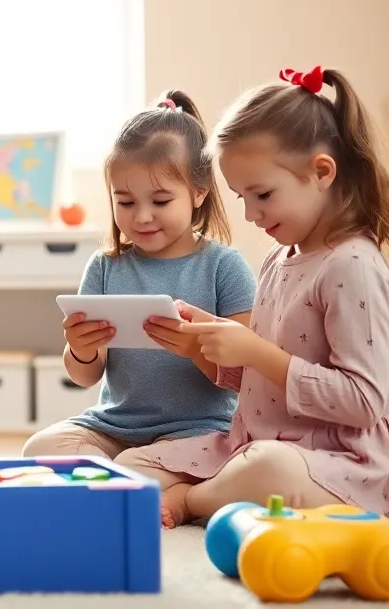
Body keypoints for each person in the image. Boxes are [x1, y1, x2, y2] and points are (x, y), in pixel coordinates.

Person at [116, 66, 389, 527]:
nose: (251, 214)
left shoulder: (352, 265)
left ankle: (191, 501)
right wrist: (204, 345)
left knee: (267, 470)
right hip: (253, 442)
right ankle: (217, 491)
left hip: (340, 465)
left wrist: (255, 350)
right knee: (130, 468)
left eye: (261, 195)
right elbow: (260, 384)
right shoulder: (281, 258)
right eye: (240, 197)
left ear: (322, 172)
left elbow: (363, 403)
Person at [22, 92, 256, 459]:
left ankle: (149, 480)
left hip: (200, 429)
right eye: (126, 202)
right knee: (41, 449)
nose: (142, 216)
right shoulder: (104, 267)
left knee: (133, 466)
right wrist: (82, 351)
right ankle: (147, 478)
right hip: (115, 425)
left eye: (160, 201)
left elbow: (248, 376)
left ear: (198, 193)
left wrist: (197, 348)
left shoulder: (224, 267)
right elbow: (84, 376)